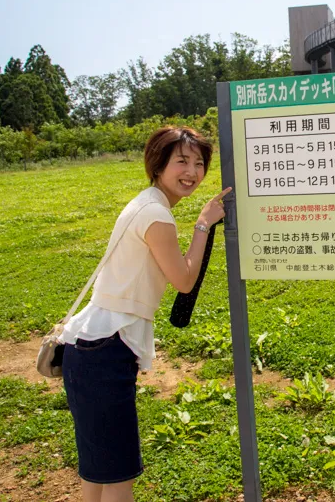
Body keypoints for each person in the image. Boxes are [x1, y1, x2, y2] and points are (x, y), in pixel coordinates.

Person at [59, 126, 231, 502]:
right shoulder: (156, 215)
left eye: (199, 163)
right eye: (181, 161)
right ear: (158, 164)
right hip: (106, 350)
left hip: (89, 346)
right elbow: (183, 280)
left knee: (99, 469)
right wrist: (203, 224)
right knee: (117, 476)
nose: (192, 172)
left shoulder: (146, 203)